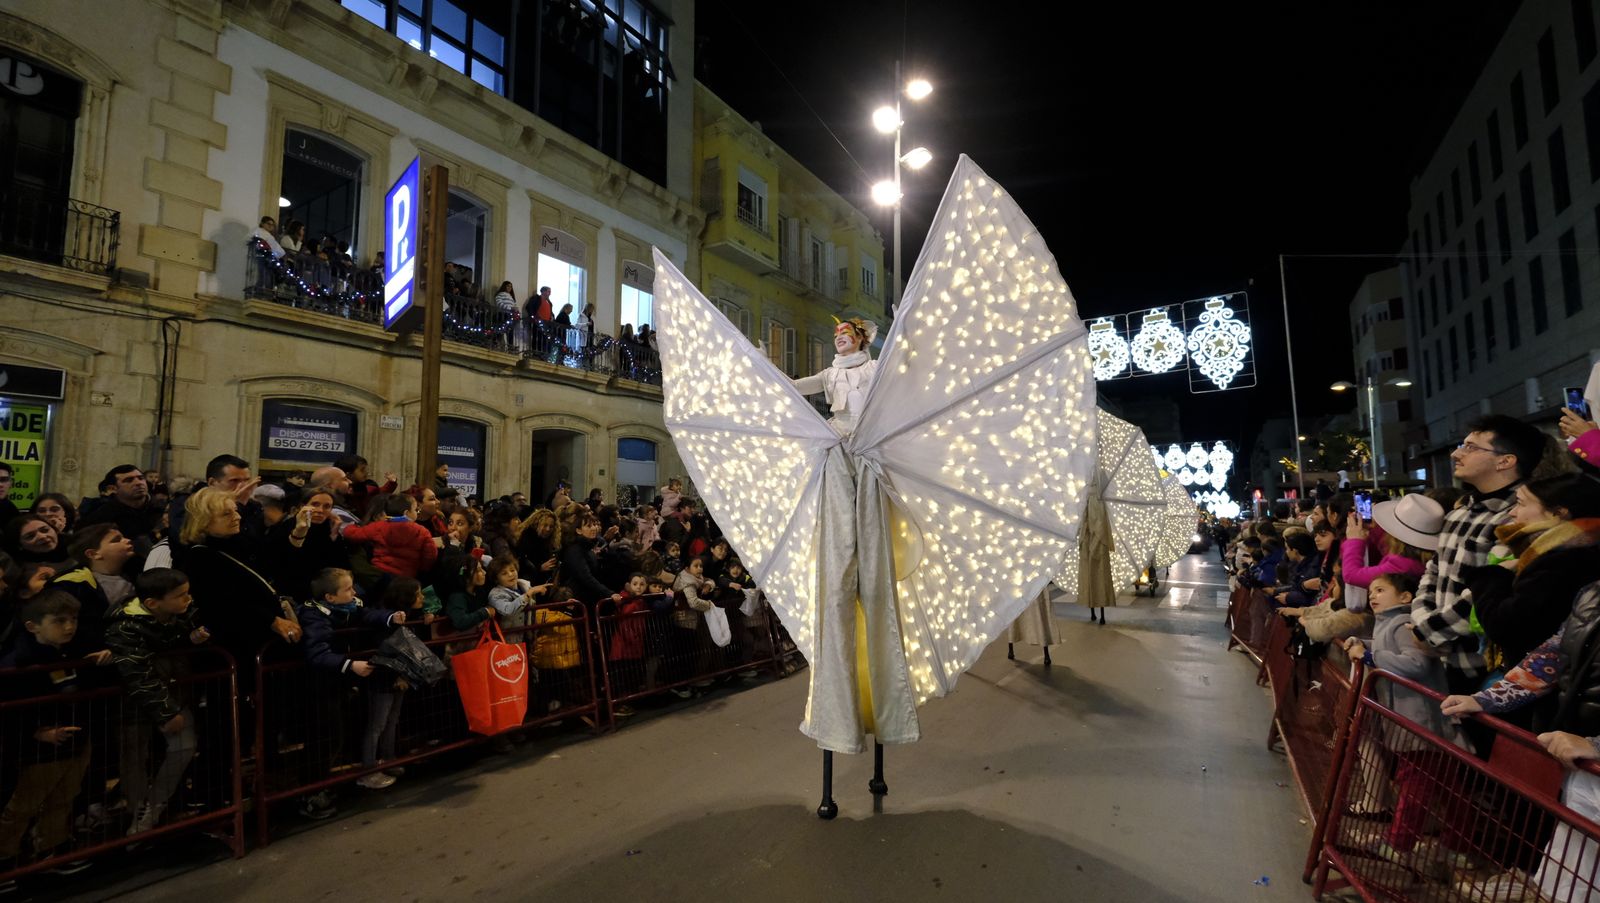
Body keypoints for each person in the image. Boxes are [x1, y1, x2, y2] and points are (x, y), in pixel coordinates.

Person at [1412, 415, 1551, 694]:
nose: (1456, 453)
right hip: (1446, 658)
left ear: (1505, 461)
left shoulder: (1521, 515)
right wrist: (1422, 621)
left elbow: (1490, 591)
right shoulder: (1459, 512)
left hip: (1491, 667)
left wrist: (1428, 631)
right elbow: (1434, 572)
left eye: (1471, 447)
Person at [1341, 572, 1469, 866]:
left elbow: (1417, 663)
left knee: (1415, 784)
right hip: (1418, 720)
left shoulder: (1402, 623)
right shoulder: (1390, 623)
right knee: (1448, 788)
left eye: (1381, 590)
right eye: (1371, 591)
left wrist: (1370, 658)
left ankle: (1400, 843)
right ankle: (1458, 846)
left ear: (1405, 597)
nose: (1373, 596)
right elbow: (1390, 649)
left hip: (1419, 720)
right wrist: (1361, 644)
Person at [1462, 472, 1600, 706]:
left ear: (1558, 513)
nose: (1512, 512)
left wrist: (1491, 577)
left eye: (1521, 503)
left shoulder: (1562, 561)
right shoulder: (1573, 551)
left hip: (1555, 697)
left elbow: (1506, 625)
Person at [0, 592, 106, 873]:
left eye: (73, 619)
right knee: (23, 806)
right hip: (39, 750)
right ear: (33, 626)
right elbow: (11, 711)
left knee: (64, 797)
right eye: (59, 621)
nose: (69, 626)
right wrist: (37, 733)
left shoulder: (72, 651)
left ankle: (51, 846)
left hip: (74, 738)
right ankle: (5, 856)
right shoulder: (17, 664)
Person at [103, 568, 208, 836]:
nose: (188, 599)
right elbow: (137, 672)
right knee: (135, 758)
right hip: (137, 705)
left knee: (184, 747)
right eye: (180, 596)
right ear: (152, 603)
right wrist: (165, 712)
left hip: (175, 693)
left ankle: (155, 806)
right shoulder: (126, 626)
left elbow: (172, 641)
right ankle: (138, 816)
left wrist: (191, 637)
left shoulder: (179, 615)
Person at [297, 568, 408, 791]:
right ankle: (312, 791)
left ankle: (333, 783)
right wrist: (350, 665)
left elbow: (366, 613)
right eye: (347, 589)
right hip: (320, 686)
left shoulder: (348, 606)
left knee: (342, 731)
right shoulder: (313, 616)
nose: (354, 592)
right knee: (326, 738)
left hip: (341, 682)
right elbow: (317, 653)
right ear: (330, 597)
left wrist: (389, 617)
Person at [50, 523, 138, 649]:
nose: (128, 540)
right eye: (116, 540)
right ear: (93, 554)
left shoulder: (137, 573)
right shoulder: (71, 585)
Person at [340, 494, 438, 584]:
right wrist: (422, 568)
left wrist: (351, 526)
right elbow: (430, 555)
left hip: (381, 575)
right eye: (416, 510)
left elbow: (352, 534)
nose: (417, 512)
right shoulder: (422, 531)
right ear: (407, 513)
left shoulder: (379, 527)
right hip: (407, 577)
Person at [78, 465, 161, 565]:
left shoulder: (163, 509)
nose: (138, 483)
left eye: (140, 478)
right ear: (113, 488)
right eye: (129, 480)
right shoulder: (102, 516)